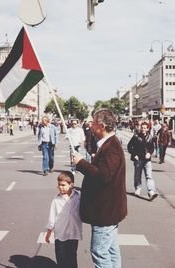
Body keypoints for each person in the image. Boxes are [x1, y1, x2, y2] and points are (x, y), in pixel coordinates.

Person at [73, 109, 127, 268]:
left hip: (105, 211)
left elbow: (102, 176)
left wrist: (81, 163)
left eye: (93, 123)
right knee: (111, 249)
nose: (90, 126)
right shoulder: (110, 143)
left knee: (99, 251)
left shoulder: (110, 147)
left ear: (101, 126)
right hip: (109, 209)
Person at [45, 171, 82, 268]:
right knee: (61, 259)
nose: (60, 187)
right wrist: (49, 232)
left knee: (72, 257)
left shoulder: (78, 197)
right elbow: (52, 218)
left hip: (74, 234)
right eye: (59, 184)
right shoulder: (56, 200)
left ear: (71, 185)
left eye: (63, 185)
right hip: (60, 235)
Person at [127, 121, 158, 200]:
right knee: (137, 175)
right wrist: (134, 155)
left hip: (147, 160)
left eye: (145, 128)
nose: (143, 129)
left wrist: (150, 153)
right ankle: (138, 188)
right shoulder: (136, 136)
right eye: (142, 128)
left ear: (147, 129)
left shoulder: (150, 137)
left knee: (149, 176)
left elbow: (152, 148)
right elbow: (129, 147)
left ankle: (151, 192)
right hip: (138, 159)